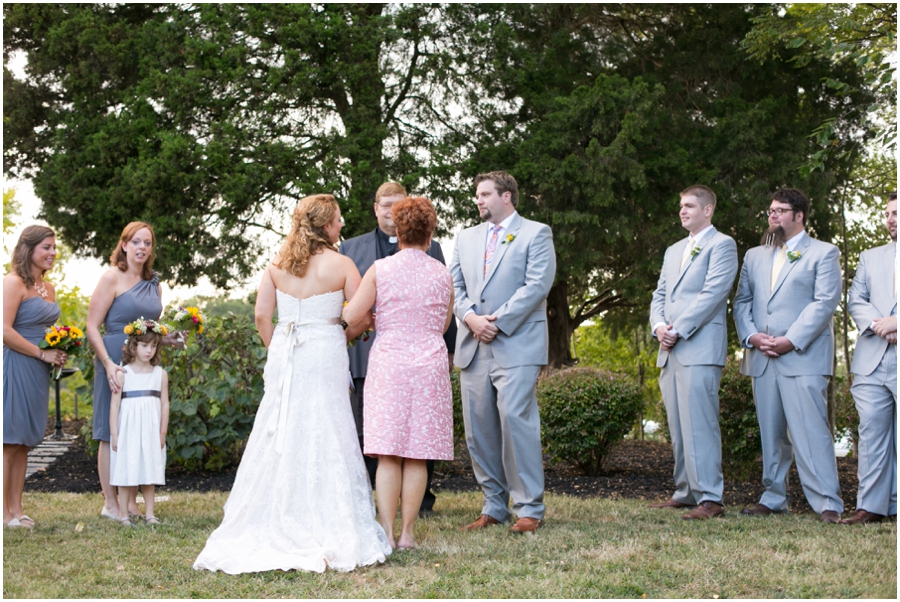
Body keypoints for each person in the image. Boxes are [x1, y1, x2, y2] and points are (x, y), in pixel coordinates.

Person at [194, 194, 391, 574]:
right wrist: (341, 336)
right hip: (325, 351)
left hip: (287, 351)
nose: (341, 226)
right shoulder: (343, 264)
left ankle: (277, 513)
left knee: (280, 427)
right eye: (337, 220)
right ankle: (328, 517)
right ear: (325, 226)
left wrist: (279, 350)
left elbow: (261, 315)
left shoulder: (277, 265)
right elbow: (362, 313)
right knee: (328, 424)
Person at [339, 181, 457, 516]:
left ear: (401, 227)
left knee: (386, 449)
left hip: (388, 361)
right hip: (426, 363)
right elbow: (443, 323)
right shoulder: (442, 273)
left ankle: (388, 529)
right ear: (429, 232)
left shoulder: (381, 268)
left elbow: (349, 313)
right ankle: (408, 531)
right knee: (419, 450)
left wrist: (380, 318)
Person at [449, 170, 556, 533]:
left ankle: (529, 508)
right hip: (474, 344)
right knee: (479, 430)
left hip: (517, 341)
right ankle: (494, 506)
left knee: (516, 422)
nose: (478, 200)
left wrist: (498, 320)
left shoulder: (536, 232)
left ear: (506, 196)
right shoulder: (465, 238)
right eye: (477, 195)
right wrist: (470, 318)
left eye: (484, 194)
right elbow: (455, 285)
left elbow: (538, 284)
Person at [733, 188, 844, 523]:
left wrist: (790, 340)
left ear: (799, 216)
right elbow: (741, 302)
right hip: (762, 358)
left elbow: (824, 303)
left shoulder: (824, 253)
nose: (774, 216)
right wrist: (752, 336)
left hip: (802, 356)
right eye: (770, 211)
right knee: (771, 433)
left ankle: (827, 503)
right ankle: (773, 496)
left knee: (811, 431)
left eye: (781, 210)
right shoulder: (754, 256)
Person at [649, 185, 738, 520]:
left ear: (708, 210)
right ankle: (686, 491)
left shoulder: (723, 245)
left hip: (698, 347)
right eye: (680, 206)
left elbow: (713, 293)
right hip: (669, 348)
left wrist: (677, 329)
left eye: (689, 206)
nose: (682, 211)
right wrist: (659, 326)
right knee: (678, 424)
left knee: (700, 424)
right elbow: (660, 294)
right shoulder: (673, 250)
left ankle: (711, 498)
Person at [86, 222, 180, 522]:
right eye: (136, 241)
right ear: (124, 244)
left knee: (137, 426)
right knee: (108, 429)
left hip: (142, 366)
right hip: (113, 360)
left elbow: (147, 332)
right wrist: (107, 363)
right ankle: (111, 503)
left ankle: (131, 501)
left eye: (148, 243)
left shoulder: (155, 284)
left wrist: (168, 338)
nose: (142, 247)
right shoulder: (111, 277)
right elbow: (91, 326)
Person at [3, 225, 68, 528]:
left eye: (54, 247)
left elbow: (45, 329)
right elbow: (4, 330)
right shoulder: (13, 283)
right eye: (47, 247)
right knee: (10, 440)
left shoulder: (49, 288)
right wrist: (41, 353)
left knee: (26, 441)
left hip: (39, 369)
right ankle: (4, 514)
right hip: (17, 363)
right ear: (28, 249)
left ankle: (17, 510)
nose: (53, 253)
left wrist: (58, 347)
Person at [842, 192, 897, 524]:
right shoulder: (870, 256)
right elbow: (855, 298)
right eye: (888, 212)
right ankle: (871, 507)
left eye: (896, 213)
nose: (890, 219)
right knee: (872, 433)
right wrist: (881, 326)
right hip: (872, 358)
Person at [109, 319, 170, 527]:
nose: (149, 351)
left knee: (149, 471)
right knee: (126, 470)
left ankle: (150, 513)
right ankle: (123, 514)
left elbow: (164, 405)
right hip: (128, 430)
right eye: (144, 345)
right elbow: (114, 406)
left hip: (151, 430)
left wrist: (162, 432)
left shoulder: (160, 374)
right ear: (133, 346)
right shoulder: (122, 373)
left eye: (153, 346)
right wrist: (115, 434)